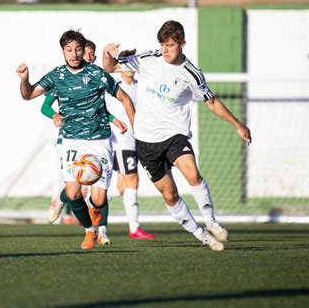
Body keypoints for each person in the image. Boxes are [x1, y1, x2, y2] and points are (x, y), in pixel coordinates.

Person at [103, 20, 252, 251]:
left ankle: (211, 222)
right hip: (145, 142)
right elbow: (110, 67)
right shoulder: (147, 59)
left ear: (182, 43)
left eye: (170, 45)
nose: (165, 50)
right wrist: (107, 53)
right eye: (162, 44)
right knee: (170, 196)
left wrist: (237, 124)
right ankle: (201, 235)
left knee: (193, 175)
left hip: (175, 136)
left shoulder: (191, 73)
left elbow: (211, 101)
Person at [16, 29, 135, 250]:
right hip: (72, 140)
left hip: (99, 140)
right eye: (69, 50)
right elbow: (28, 94)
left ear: (83, 51)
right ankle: (90, 230)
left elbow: (124, 98)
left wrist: (137, 130)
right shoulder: (56, 76)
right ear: (63, 51)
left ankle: (97, 221)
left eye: (78, 49)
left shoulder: (97, 74)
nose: (74, 54)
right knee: (73, 193)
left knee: (98, 199)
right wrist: (25, 79)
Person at [42, 39, 119, 246]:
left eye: (92, 54)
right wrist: (55, 115)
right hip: (69, 138)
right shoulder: (63, 77)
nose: (90, 57)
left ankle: (100, 230)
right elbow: (45, 106)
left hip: (96, 137)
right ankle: (64, 202)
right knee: (76, 188)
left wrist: (114, 119)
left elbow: (97, 109)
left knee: (97, 190)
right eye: (88, 53)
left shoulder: (95, 75)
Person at [105, 49, 155, 240]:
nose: (130, 67)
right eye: (125, 62)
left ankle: (94, 200)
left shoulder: (140, 86)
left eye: (132, 62)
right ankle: (134, 228)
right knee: (133, 180)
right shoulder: (113, 86)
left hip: (136, 141)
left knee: (121, 187)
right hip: (120, 141)